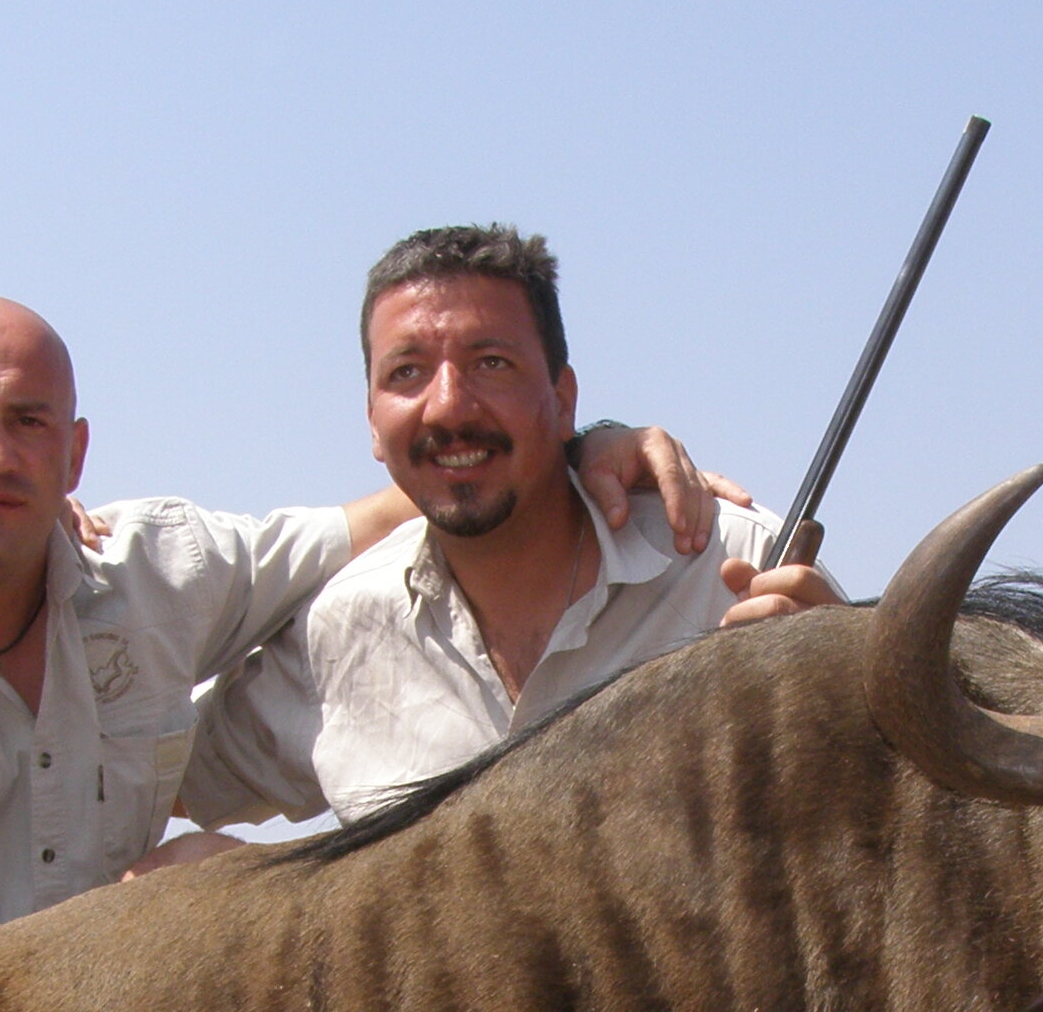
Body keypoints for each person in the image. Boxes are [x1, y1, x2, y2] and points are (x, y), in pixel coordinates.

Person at [0, 296, 732, 975]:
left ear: (77, 450)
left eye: (29, 424)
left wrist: (587, 446)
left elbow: (409, 497)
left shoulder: (163, 571)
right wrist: (10, 997)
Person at [179, 225, 843, 829]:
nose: (446, 405)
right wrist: (227, 884)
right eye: (406, 372)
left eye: (490, 362)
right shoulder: (336, 632)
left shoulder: (740, 566)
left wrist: (850, 685)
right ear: (372, 423)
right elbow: (156, 786)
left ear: (562, 402)